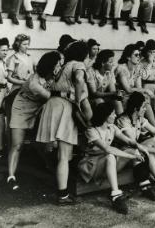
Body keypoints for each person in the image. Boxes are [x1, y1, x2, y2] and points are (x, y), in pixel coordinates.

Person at [36, 41, 93, 205]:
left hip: (52, 105)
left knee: (60, 153)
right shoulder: (78, 64)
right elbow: (80, 79)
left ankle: (61, 188)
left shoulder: (64, 64)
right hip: (64, 107)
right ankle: (63, 195)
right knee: (63, 155)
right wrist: (80, 99)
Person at [78, 102, 147, 214]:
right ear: (105, 116)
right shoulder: (91, 131)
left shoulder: (112, 127)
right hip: (92, 166)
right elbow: (107, 149)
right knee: (111, 156)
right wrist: (132, 156)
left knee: (132, 149)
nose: (115, 116)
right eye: (113, 114)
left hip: (107, 163)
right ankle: (116, 195)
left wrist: (140, 147)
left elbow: (128, 140)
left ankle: (145, 185)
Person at [7, 51, 62, 191]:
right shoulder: (34, 83)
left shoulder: (55, 76)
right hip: (22, 107)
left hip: (40, 107)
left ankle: (52, 166)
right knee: (17, 145)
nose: (61, 66)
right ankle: (11, 176)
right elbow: (51, 96)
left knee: (47, 138)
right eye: (58, 63)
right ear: (51, 66)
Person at [116, 92, 155, 201]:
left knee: (153, 140)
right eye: (143, 107)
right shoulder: (123, 120)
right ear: (136, 108)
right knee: (138, 151)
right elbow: (134, 143)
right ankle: (153, 184)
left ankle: (151, 183)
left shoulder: (139, 119)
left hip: (136, 151)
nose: (145, 109)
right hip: (122, 155)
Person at [115, 43, 155, 128]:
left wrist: (144, 94)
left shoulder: (137, 69)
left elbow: (138, 88)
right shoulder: (122, 68)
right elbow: (128, 89)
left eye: (139, 55)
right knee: (141, 100)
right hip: (119, 97)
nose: (139, 57)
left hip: (130, 97)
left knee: (145, 101)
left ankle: (154, 129)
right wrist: (146, 91)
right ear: (128, 57)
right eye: (136, 55)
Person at [5, 34, 35, 123]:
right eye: (24, 44)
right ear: (18, 44)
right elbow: (9, 77)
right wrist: (22, 82)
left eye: (28, 44)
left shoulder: (30, 57)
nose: (27, 46)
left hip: (29, 89)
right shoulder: (13, 58)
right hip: (17, 89)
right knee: (14, 116)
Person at [87, 49, 123, 114]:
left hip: (103, 97)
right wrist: (113, 93)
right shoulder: (91, 72)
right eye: (110, 62)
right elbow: (94, 93)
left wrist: (117, 94)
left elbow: (112, 91)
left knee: (117, 100)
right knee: (100, 101)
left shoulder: (109, 73)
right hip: (90, 100)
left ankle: (121, 119)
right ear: (103, 63)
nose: (113, 64)